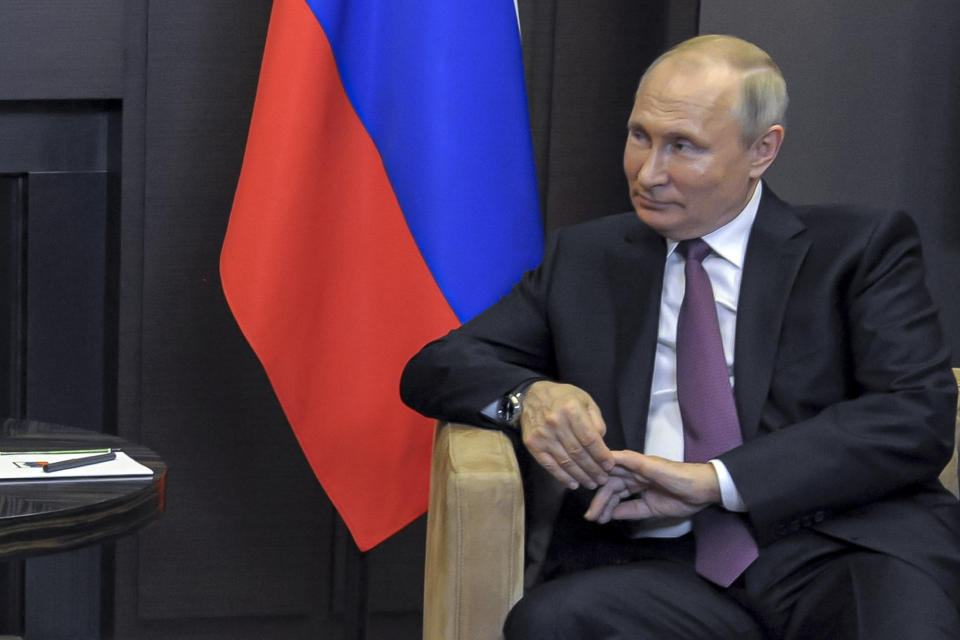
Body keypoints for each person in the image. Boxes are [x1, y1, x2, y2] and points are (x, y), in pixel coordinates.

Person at [400, 34, 960, 639]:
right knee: (553, 623)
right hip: (666, 567)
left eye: (683, 147)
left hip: (842, 546)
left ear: (761, 150)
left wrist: (718, 481)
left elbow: (915, 415)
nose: (649, 172)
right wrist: (528, 397)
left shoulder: (856, 249)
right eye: (639, 136)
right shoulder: (587, 259)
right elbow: (438, 366)